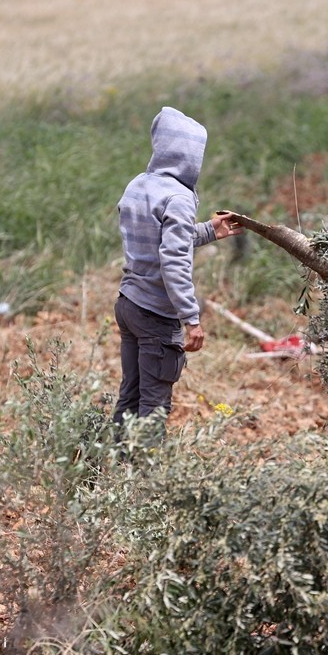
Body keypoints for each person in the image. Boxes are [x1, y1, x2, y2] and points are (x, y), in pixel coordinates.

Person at [112, 106, 242, 426]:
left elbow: (160, 241)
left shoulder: (138, 185)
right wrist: (191, 319)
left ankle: (114, 466)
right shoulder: (179, 197)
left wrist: (210, 229)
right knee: (154, 407)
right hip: (156, 315)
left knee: (130, 395)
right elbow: (173, 262)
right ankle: (143, 473)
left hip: (128, 304)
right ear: (190, 156)